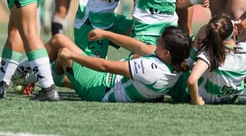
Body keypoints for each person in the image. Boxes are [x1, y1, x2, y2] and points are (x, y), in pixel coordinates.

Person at [43, 26, 191, 102]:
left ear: (167, 53)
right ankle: (48, 75)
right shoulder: (173, 62)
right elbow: (137, 46)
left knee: (60, 43)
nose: (157, 42)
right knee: (137, 54)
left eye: (160, 42)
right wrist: (106, 34)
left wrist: (72, 55)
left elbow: (105, 66)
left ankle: (27, 74)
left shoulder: (152, 69)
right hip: (106, 81)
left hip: (100, 89)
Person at [169, 14, 246, 105]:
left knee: (171, 66)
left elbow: (192, 81)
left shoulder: (210, 54)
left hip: (204, 97)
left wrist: (196, 100)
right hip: (229, 98)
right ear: (235, 30)